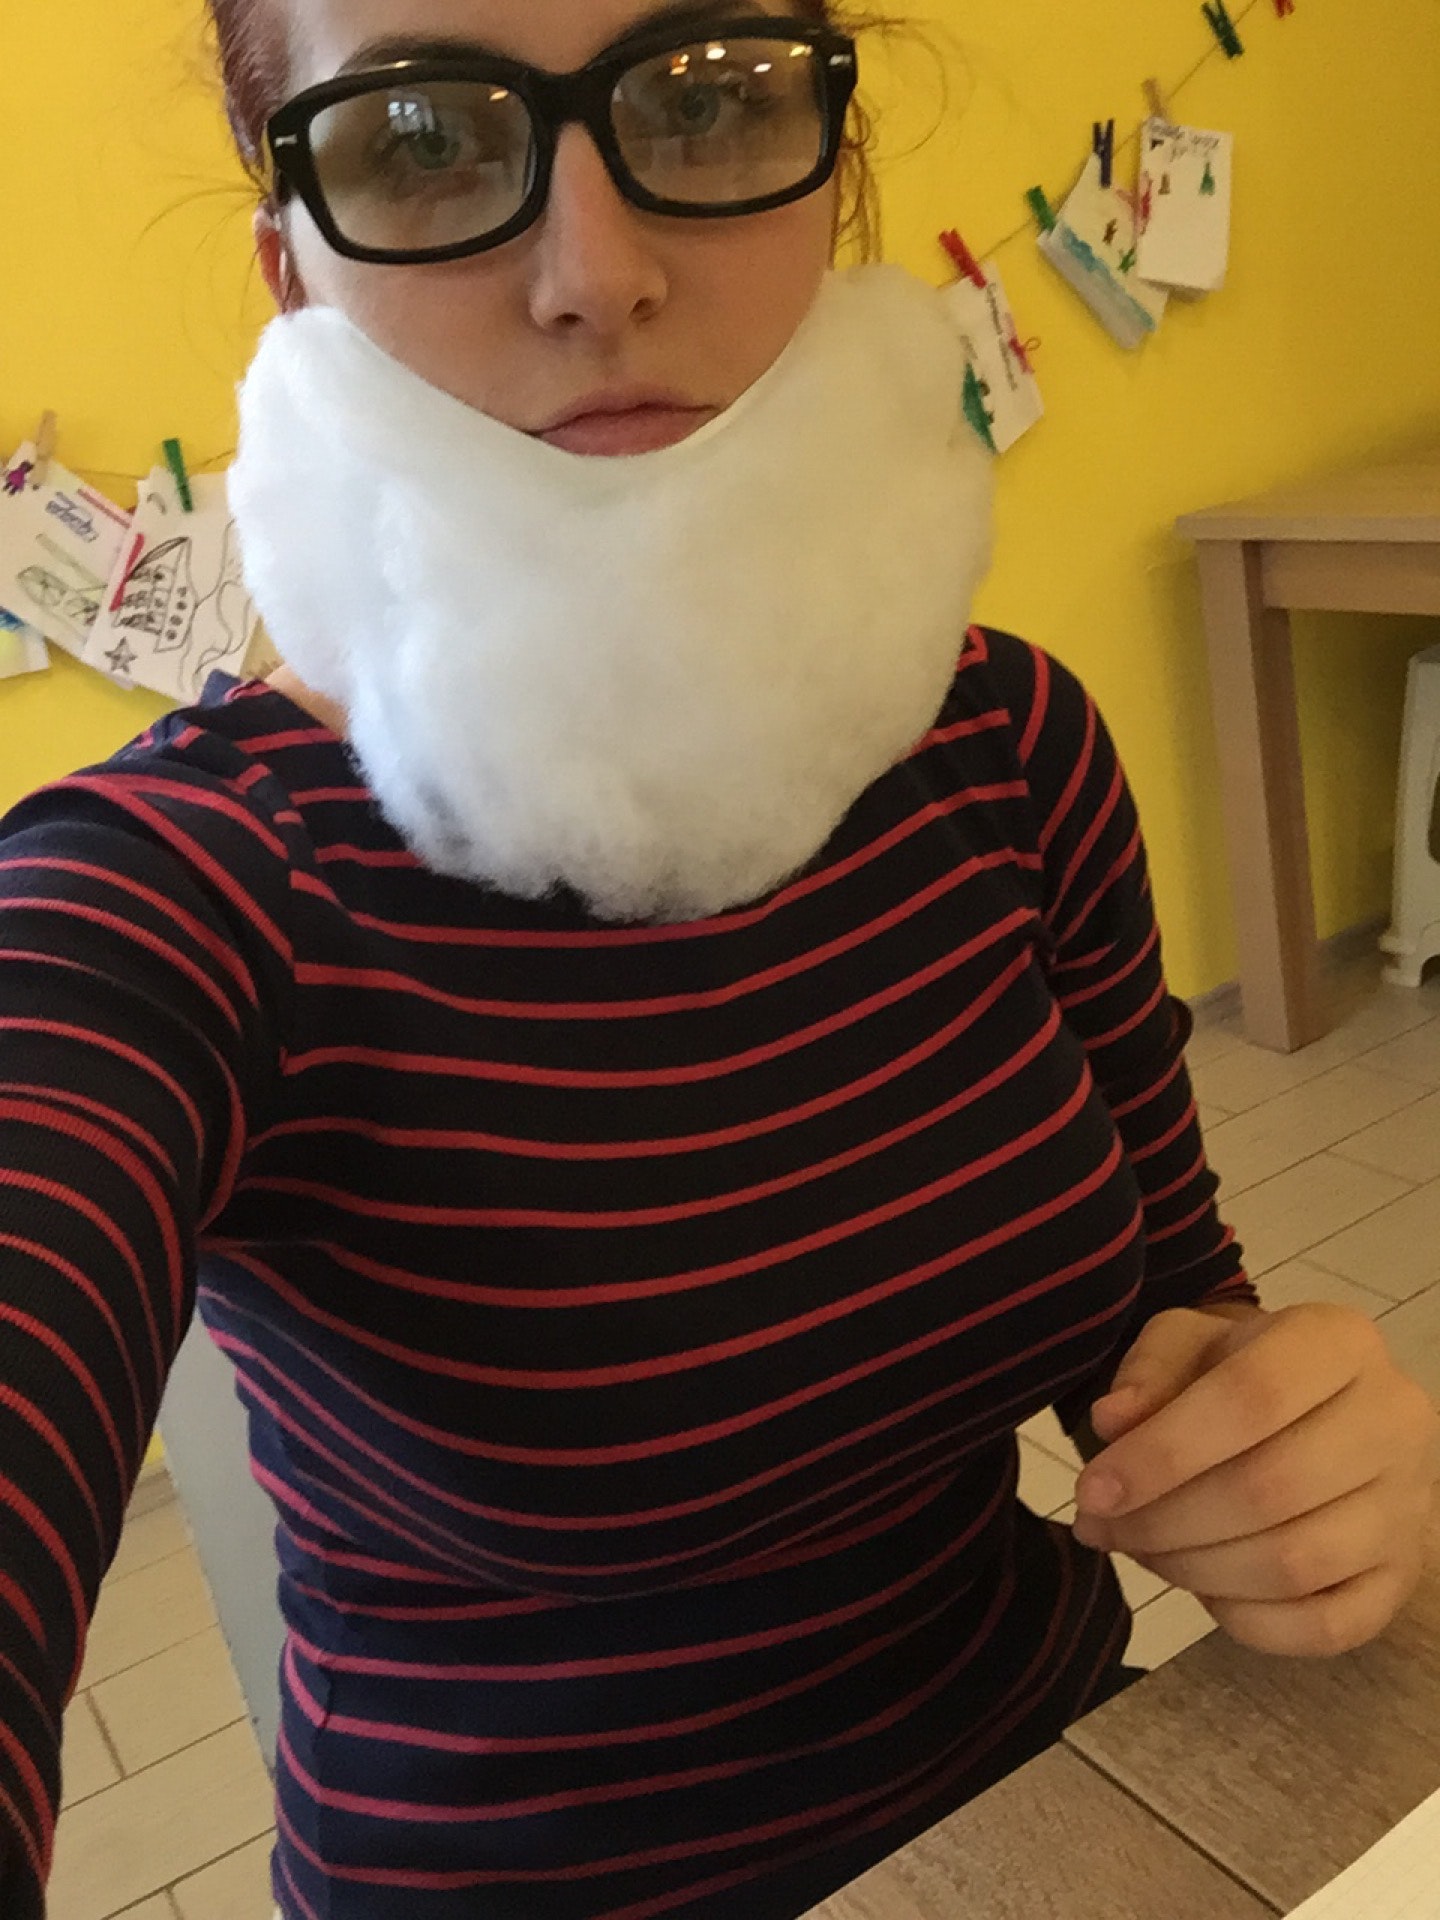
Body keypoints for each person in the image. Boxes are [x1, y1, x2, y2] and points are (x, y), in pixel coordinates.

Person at [1, 2, 1437, 1915]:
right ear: (295, 270)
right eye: (423, 141)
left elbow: (1172, 1327)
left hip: (1071, 1802)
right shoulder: (176, 892)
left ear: (828, 180)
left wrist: (1291, 1445)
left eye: (710, 101)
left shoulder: (1009, 747)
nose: (596, 273)